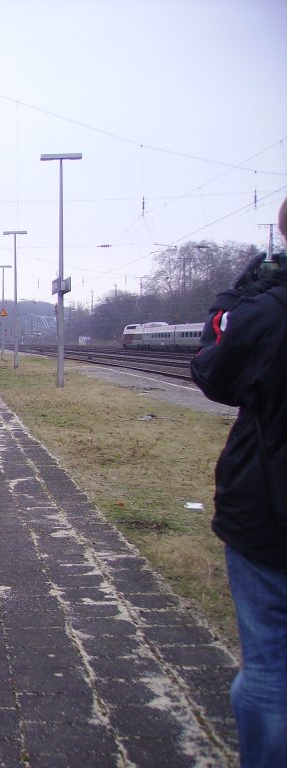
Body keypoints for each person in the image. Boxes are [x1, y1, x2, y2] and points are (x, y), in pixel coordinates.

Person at [190, 196, 287, 768]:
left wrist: (231, 302)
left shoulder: (269, 311)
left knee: (271, 667)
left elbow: (212, 371)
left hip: (271, 510)